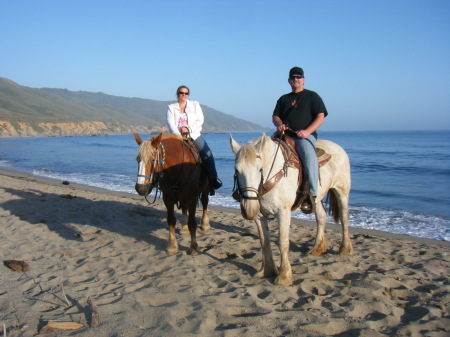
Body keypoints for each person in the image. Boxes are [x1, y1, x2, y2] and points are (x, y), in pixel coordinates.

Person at [272, 67, 327, 211]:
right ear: (289, 80)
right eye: (293, 77)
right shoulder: (283, 99)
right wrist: (279, 124)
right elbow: (276, 116)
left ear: (304, 79)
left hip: (304, 136)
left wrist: (308, 131)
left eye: (299, 77)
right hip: (285, 135)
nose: (296, 79)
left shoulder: (312, 96)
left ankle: (312, 194)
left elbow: (320, 116)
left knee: (308, 156)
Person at [166, 85, 222, 194]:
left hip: (193, 135)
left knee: (207, 155)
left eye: (186, 93)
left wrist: (188, 129)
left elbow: (200, 120)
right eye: (181, 93)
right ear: (177, 94)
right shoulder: (171, 107)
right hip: (177, 137)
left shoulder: (195, 105)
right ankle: (154, 181)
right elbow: (170, 123)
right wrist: (178, 135)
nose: (184, 95)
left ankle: (213, 180)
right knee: (162, 156)